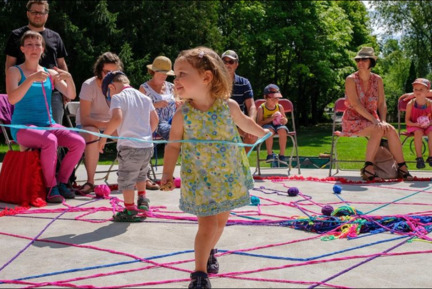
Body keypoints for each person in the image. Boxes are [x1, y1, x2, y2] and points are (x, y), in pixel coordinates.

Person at [160, 47, 269, 289]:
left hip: (228, 177)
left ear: (207, 77)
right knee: (208, 223)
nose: (175, 80)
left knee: (220, 223)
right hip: (200, 179)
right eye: (175, 75)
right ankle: (199, 274)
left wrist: (263, 133)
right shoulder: (182, 114)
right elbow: (173, 147)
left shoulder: (227, 107)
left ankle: (209, 251)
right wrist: (167, 173)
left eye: (181, 74)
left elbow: (246, 123)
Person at [5, 30, 85, 203]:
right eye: (29, 44)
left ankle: (63, 181)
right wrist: (31, 79)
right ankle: (51, 187)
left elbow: (70, 94)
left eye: (38, 44)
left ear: (43, 49)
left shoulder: (50, 73)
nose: (34, 48)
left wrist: (69, 78)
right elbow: (12, 99)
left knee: (78, 142)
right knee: (50, 141)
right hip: (22, 128)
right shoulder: (14, 71)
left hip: (47, 125)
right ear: (22, 49)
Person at [342, 47, 413, 181]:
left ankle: (402, 167)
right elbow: (356, 105)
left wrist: (383, 121)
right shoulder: (350, 79)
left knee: (390, 129)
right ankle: (368, 168)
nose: (360, 62)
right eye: (358, 59)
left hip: (374, 120)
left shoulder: (378, 79)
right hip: (353, 119)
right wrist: (376, 121)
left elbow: (381, 103)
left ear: (371, 62)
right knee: (377, 128)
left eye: (364, 59)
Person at [99, 71, 158, 222]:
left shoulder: (118, 97)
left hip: (129, 147)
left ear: (112, 87)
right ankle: (143, 200)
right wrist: (145, 135)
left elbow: (117, 118)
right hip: (146, 146)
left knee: (127, 179)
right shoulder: (145, 98)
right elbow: (155, 120)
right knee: (141, 174)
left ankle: (130, 210)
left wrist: (104, 137)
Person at [4, 0, 69, 125]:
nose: (38, 15)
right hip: (25, 91)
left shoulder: (55, 37)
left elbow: (61, 64)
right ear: (28, 14)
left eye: (41, 12)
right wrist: (12, 89)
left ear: (47, 15)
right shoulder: (16, 35)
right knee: (29, 135)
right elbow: (9, 64)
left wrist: (65, 88)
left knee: (53, 132)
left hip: (53, 92)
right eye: (34, 12)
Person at [75, 52, 123, 194]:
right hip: (88, 126)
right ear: (99, 70)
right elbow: (84, 119)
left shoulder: (119, 85)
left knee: (129, 133)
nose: (111, 75)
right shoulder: (89, 85)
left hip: (109, 125)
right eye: (107, 72)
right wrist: (108, 125)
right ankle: (90, 181)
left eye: (114, 72)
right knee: (92, 134)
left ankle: (132, 177)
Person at [221, 49, 257, 153]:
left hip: (238, 120)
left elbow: (251, 106)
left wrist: (251, 123)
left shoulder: (244, 82)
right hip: (219, 119)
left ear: (236, 64)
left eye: (231, 62)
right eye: (224, 61)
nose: (227, 64)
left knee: (252, 135)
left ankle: (241, 164)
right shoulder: (214, 81)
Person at [139, 56, 179, 140]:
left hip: (174, 121)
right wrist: (155, 105)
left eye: (166, 73)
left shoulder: (172, 87)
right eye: (162, 73)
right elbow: (139, 109)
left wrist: (179, 103)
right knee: (172, 132)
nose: (164, 76)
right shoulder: (144, 88)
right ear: (154, 71)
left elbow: (179, 100)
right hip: (155, 124)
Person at [256, 84, 289, 165]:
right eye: (272, 98)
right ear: (265, 98)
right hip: (267, 126)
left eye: (277, 98)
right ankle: (270, 154)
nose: (275, 100)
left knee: (283, 130)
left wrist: (284, 120)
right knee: (269, 131)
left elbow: (285, 119)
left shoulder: (279, 107)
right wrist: (271, 118)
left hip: (278, 125)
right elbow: (259, 123)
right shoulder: (261, 108)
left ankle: (282, 155)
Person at [405, 78, 432, 169]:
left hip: (428, 125)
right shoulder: (410, 104)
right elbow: (407, 121)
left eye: (421, 89)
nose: (418, 91)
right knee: (418, 132)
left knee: (431, 133)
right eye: (416, 89)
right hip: (414, 125)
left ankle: (431, 157)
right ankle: (419, 158)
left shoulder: (430, 104)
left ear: (427, 91)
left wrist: (429, 123)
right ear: (413, 91)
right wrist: (416, 124)